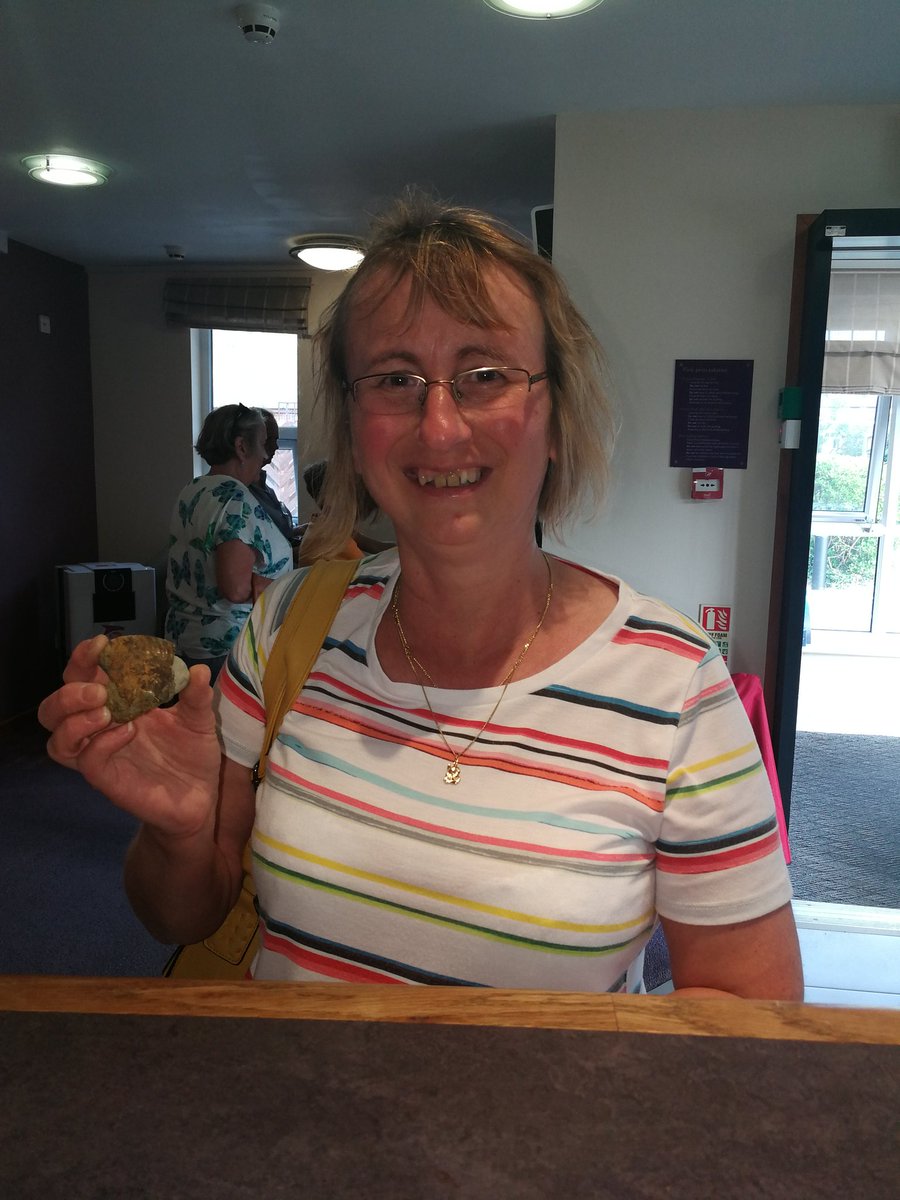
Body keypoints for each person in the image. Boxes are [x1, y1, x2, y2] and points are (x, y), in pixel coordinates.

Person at [39, 196, 802, 1000]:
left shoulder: (677, 688)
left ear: (554, 409)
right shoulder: (287, 623)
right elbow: (179, 917)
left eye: (484, 375)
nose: (439, 427)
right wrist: (180, 836)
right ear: (355, 420)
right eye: (396, 379)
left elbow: (748, 1024)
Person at [163, 403, 293, 682]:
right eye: (261, 443)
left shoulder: (194, 488)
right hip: (226, 649)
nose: (266, 454)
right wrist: (292, 588)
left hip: (187, 640)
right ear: (241, 447)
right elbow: (235, 588)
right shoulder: (234, 498)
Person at [250, 410, 302, 547]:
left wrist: (301, 530)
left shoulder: (263, 484)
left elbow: (277, 533)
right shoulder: (241, 493)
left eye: (277, 440)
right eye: (269, 440)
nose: (276, 446)